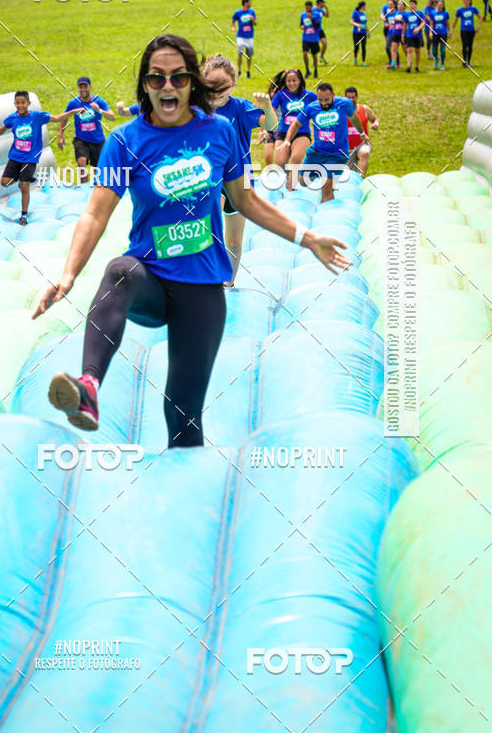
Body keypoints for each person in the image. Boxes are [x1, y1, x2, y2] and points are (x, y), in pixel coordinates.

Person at [33, 34, 351, 446]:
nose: (168, 87)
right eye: (157, 78)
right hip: (151, 279)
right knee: (119, 271)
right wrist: (68, 274)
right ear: (145, 84)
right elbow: (95, 212)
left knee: (181, 413)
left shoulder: (220, 132)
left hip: (202, 291)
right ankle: (89, 388)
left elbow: (246, 201)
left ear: (191, 83)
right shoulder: (125, 141)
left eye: (179, 78)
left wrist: (307, 238)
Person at [202, 52, 278, 286]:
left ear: (232, 85)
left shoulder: (240, 108)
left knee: (233, 240)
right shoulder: (197, 109)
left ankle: (228, 282)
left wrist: (266, 107)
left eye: (223, 85)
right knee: (208, 229)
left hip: (239, 180)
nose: (217, 90)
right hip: (208, 180)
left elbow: (273, 125)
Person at [0, 91, 83, 225]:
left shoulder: (37, 117)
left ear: (28, 103)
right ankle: (21, 177)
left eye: (23, 102)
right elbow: (2, 129)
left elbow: (57, 118)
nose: (20, 105)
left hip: (30, 158)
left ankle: (24, 215)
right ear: (15, 104)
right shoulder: (13, 118)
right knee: (4, 182)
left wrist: (73, 111)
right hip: (15, 156)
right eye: (18, 103)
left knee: (25, 186)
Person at [279, 81, 367, 204]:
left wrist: (362, 134)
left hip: (337, 154)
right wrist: (287, 140)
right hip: (317, 152)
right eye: (321, 100)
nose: (324, 103)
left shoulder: (344, 104)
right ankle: (309, 175)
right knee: (304, 181)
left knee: (326, 188)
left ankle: (328, 216)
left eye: (327, 100)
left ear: (333, 95)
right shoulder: (312, 107)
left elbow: (354, 118)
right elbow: (296, 124)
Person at [58, 76, 115, 184]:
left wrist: (99, 110)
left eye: (85, 86)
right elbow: (64, 117)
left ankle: (95, 192)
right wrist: (60, 135)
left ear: (90, 87)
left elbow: (112, 117)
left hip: (98, 141)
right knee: (81, 162)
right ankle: (84, 189)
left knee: (97, 170)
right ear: (78, 88)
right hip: (81, 139)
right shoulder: (74, 103)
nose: (83, 89)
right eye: (81, 87)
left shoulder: (99, 101)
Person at [271, 69, 318, 188]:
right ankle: (290, 176)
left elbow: (320, 107)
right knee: (280, 162)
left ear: (300, 81)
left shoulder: (309, 95)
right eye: (289, 81)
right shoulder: (281, 95)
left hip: (302, 133)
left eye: (294, 80)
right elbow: (270, 110)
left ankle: (292, 188)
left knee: (296, 158)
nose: (291, 83)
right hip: (283, 132)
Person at [344, 86, 380, 177]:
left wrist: (376, 124)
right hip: (348, 147)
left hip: (363, 142)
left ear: (357, 97)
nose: (351, 100)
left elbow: (375, 119)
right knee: (350, 175)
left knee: (364, 153)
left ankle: (361, 176)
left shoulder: (364, 109)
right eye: (349, 98)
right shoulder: (341, 111)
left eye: (353, 97)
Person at [452, 0, 482, 68]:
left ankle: (469, 61)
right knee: (464, 45)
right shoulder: (460, 10)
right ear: (463, 1)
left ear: (470, 1)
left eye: (467, 0)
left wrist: (479, 26)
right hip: (463, 30)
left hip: (471, 30)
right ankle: (464, 61)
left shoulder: (473, 8)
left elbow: (480, 17)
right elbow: (456, 20)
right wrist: (452, 29)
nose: (466, 2)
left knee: (470, 46)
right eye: (465, 0)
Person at [231, 0, 257, 78]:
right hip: (241, 37)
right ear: (245, 3)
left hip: (249, 36)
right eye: (249, 2)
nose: (250, 4)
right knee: (240, 53)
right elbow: (232, 21)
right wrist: (233, 28)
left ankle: (248, 71)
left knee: (249, 54)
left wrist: (253, 20)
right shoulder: (238, 12)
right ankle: (239, 71)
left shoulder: (251, 11)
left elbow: (255, 24)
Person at [402, 0, 426, 73]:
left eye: (413, 4)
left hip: (418, 35)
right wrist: (403, 35)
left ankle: (416, 66)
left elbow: (423, 22)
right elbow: (405, 25)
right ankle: (409, 66)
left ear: (416, 5)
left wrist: (418, 28)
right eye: (410, 4)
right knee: (409, 50)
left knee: (417, 51)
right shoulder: (407, 15)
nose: (411, 6)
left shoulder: (419, 13)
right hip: (409, 34)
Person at [300, 1, 320, 78]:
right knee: (305, 53)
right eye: (306, 8)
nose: (307, 9)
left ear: (311, 7)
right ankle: (307, 70)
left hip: (314, 38)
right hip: (306, 37)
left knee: (314, 55)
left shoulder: (316, 14)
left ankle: (315, 70)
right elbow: (301, 23)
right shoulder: (303, 14)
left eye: (308, 8)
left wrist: (311, 18)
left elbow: (318, 25)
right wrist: (302, 26)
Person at [430, 0, 451, 71]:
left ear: (443, 6)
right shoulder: (433, 13)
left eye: (441, 5)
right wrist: (430, 32)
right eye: (439, 5)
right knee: (434, 51)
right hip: (435, 34)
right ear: (436, 5)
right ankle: (436, 59)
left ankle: (442, 64)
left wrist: (449, 32)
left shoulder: (445, 13)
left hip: (443, 34)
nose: (440, 6)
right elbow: (431, 24)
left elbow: (447, 23)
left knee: (442, 50)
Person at [386, 0, 406, 70]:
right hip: (395, 33)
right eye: (399, 4)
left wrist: (400, 20)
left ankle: (409, 61)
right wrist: (390, 23)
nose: (400, 6)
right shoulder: (395, 13)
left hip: (403, 34)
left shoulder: (406, 14)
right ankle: (393, 64)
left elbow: (407, 23)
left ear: (404, 6)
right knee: (393, 49)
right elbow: (393, 22)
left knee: (406, 49)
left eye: (401, 5)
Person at [381, 0, 397, 67]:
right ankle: (392, 60)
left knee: (392, 46)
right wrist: (383, 18)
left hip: (395, 30)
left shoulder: (396, 8)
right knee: (388, 45)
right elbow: (382, 14)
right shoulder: (385, 7)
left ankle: (394, 61)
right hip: (387, 28)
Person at [350, 1, 369, 65]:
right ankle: (355, 58)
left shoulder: (364, 14)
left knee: (363, 47)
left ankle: (363, 61)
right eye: (365, 6)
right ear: (362, 6)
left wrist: (368, 31)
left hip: (363, 33)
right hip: (356, 33)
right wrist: (358, 25)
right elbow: (351, 22)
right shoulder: (355, 13)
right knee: (356, 47)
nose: (366, 7)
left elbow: (365, 24)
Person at [314, 0, 329, 64]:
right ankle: (315, 60)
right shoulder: (313, 10)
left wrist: (326, 8)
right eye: (323, 3)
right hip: (314, 31)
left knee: (325, 43)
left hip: (320, 29)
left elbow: (327, 16)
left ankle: (321, 57)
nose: (324, 4)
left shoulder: (321, 10)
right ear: (320, 3)